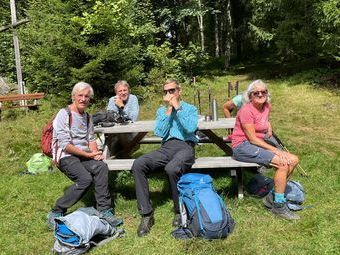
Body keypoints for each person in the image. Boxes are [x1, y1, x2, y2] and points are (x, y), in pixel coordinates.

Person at [47, 82, 122, 229]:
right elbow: (65, 145)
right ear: (73, 97)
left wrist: (96, 154)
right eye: (80, 95)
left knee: (101, 167)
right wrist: (88, 155)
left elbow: (91, 139)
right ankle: (56, 211)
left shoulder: (88, 117)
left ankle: (104, 211)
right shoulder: (64, 114)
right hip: (66, 156)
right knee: (85, 179)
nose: (83, 99)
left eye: (86, 96)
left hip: (83, 155)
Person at [131, 79, 198, 237]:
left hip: (185, 146)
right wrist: (169, 110)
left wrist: (177, 107)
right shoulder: (162, 111)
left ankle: (178, 210)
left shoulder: (190, 108)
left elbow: (190, 128)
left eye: (172, 90)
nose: (169, 94)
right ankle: (146, 214)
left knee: (171, 168)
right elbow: (160, 132)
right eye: (166, 92)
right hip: (166, 147)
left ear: (179, 91)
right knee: (138, 163)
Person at [231, 80, 300, 220]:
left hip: (258, 143)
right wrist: (276, 150)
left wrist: (269, 126)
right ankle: (279, 206)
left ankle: (272, 197)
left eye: (264, 92)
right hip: (242, 146)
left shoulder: (267, 106)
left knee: (293, 160)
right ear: (250, 96)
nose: (260, 94)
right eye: (256, 93)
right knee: (282, 163)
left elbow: (264, 120)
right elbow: (252, 138)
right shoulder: (246, 110)